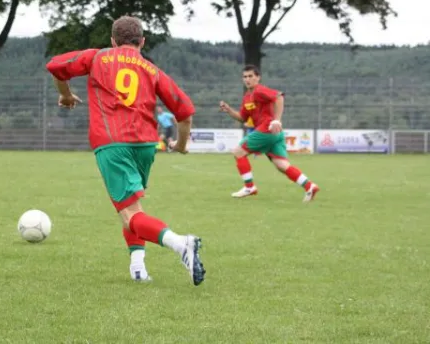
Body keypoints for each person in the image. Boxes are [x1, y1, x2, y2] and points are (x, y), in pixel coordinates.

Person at [45, 16, 206, 286]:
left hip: (112, 142)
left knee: (131, 214)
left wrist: (66, 95)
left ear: (112, 40)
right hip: (145, 145)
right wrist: (180, 144)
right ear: (142, 42)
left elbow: (55, 66)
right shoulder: (151, 69)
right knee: (131, 208)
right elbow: (185, 112)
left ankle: (182, 244)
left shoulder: (97, 57)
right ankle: (138, 267)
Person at [219, 65, 320, 202]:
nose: (247, 79)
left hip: (267, 128)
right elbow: (243, 118)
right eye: (245, 77)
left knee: (238, 152)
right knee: (282, 166)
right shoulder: (247, 97)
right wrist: (229, 110)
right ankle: (310, 186)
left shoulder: (259, 90)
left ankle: (249, 187)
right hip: (273, 134)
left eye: (250, 76)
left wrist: (277, 120)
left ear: (258, 77)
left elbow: (279, 97)